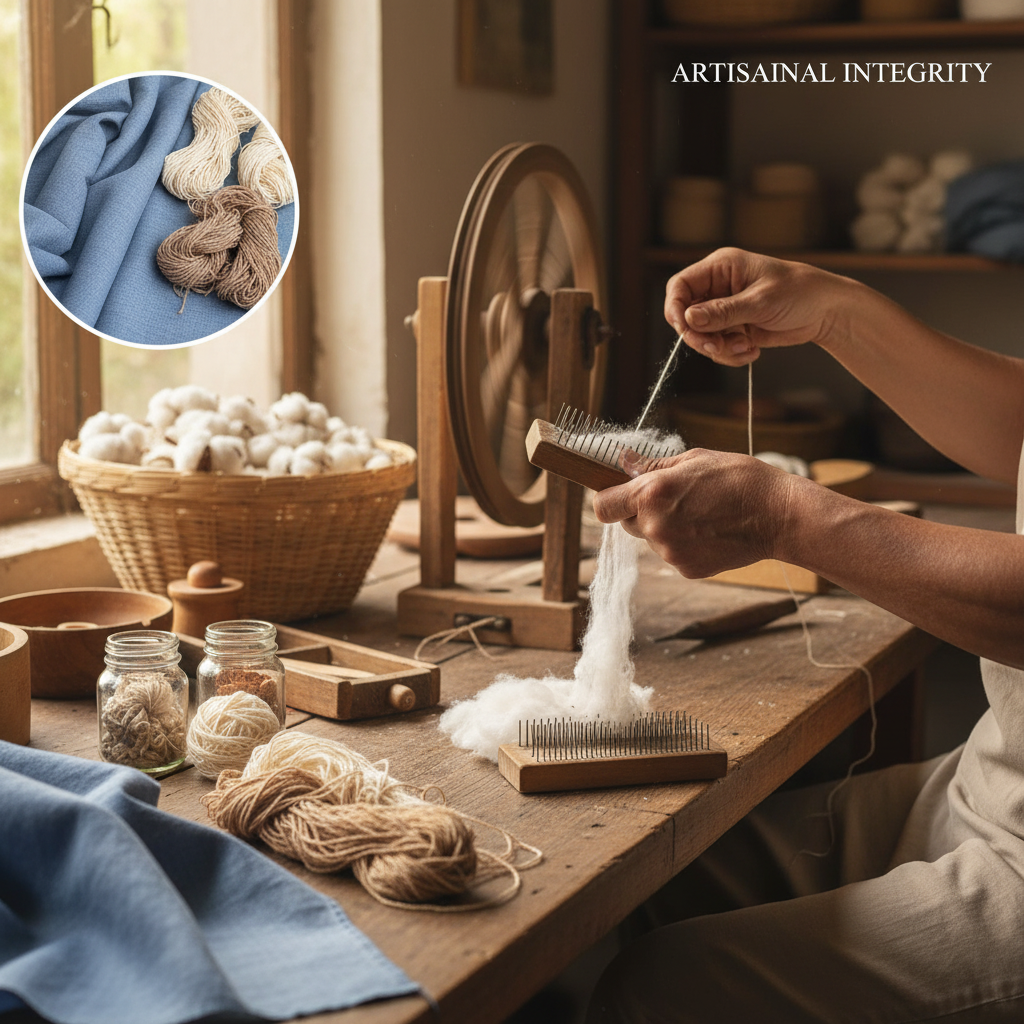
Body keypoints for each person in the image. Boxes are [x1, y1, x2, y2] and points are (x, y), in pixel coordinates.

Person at [586, 248, 1024, 1023]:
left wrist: (787, 518)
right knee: (652, 879)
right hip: (993, 786)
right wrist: (835, 311)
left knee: (664, 991)